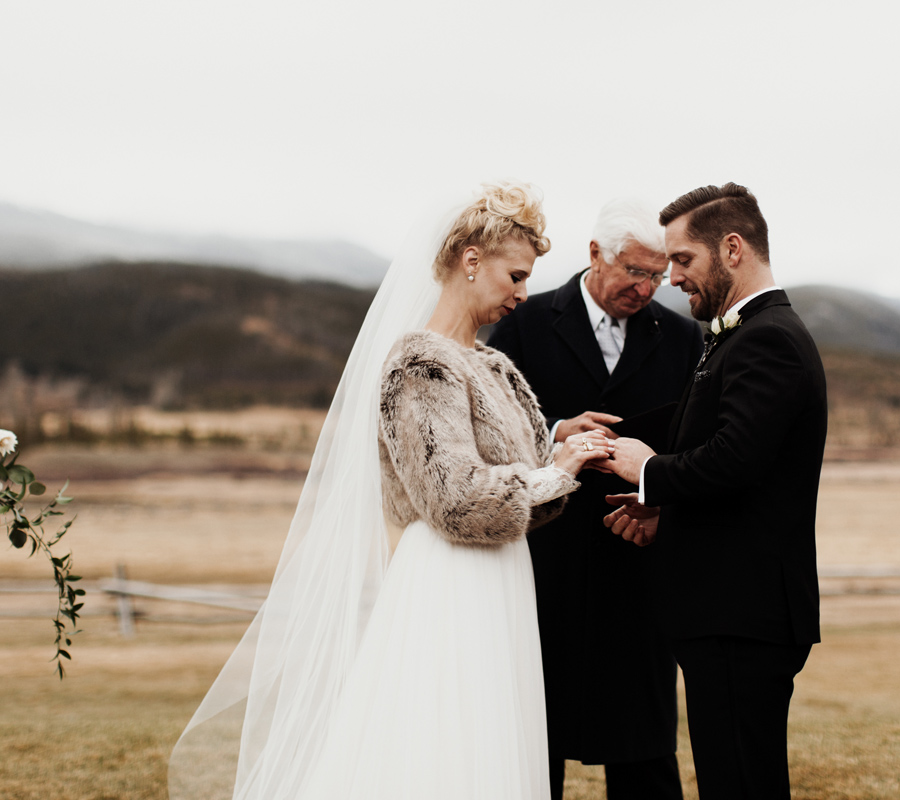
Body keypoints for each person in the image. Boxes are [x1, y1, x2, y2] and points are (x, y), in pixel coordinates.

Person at [169, 182, 613, 800]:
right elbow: (453, 498)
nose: (523, 292)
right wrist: (555, 471)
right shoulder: (418, 365)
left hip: (502, 577)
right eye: (515, 275)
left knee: (491, 743)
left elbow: (534, 480)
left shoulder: (496, 368)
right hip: (449, 580)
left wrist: (568, 462)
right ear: (471, 260)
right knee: (442, 745)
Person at [603, 183, 826, 799]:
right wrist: (662, 512)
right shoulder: (738, 336)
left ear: (732, 248)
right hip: (725, 614)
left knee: (742, 785)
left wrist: (647, 471)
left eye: (682, 260)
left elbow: (734, 460)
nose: (671, 278)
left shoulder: (770, 338)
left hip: (742, 616)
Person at [487, 198, 702, 800]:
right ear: (594, 255)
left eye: (658, 275)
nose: (647, 287)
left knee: (644, 739)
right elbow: (493, 426)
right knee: (538, 730)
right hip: (546, 561)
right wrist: (556, 430)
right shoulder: (525, 325)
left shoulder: (686, 339)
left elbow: (694, 439)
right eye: (634, 271)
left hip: (637, 561)